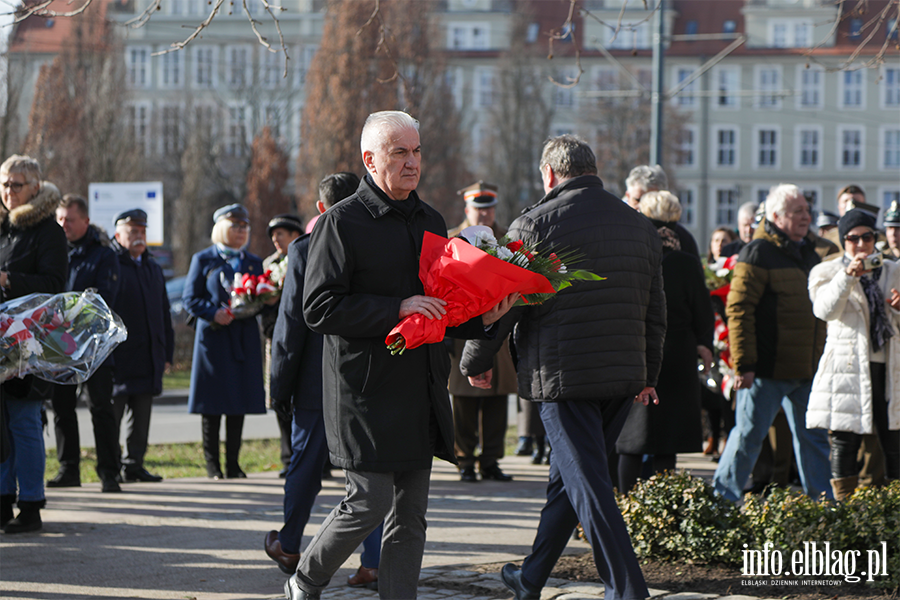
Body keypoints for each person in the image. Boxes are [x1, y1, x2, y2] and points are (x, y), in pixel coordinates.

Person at [285, 111, 515, 600]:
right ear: (370, 160)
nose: (413, 163)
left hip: (420, 385)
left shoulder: (431, 220)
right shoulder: (340, 223)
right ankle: (305, 581)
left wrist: (486, 319)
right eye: (399, 152)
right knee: (368, 502)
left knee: (411, 515)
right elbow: (318, 308)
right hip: (364, 391)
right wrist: (397, 307)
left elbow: (442, 307)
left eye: (416, 151)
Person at [461, 135, 665, 600]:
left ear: (550, 174)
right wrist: (648, 374)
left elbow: (505, 301)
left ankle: (628, 589)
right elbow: (656, 310)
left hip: (563, 377)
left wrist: (476, 359)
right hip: (622, 376)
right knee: (568, 481)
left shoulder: (534, 223)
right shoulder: (639, 226)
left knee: (589, 486)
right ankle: (531, 577)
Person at [266, 171, 383, 590]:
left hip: (317, 383)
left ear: (320, 208)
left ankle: (292, 543)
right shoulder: (379, 241)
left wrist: (279, 385)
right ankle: (372, 562)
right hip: (368, 378)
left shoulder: (304, 249)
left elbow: (291, 325)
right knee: (365, 474)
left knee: (305, 464)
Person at [713, 184, 836, 502]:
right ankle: (720, 507)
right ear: (776, 216)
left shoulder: (809, 251)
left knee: (814, 441)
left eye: (807, 211)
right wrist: (744, 365)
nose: (806, 217)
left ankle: (823, 511)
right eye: (798, 212)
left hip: (806, 369)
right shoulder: (757, 252)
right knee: (747, 439)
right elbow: (738, 311)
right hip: (765, 371)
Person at [616, 191, 714, 493]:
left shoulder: (631, 254)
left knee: (631, 439)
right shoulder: (684, 260)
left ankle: (625, 507)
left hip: (636, 348)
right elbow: (702, 307)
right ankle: (660, 511)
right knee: (666, 441)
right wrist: (704, 343)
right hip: (677, 353)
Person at [807, 209, 900, 499]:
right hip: (846, 366)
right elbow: (824, 310)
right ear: (843, 240)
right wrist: (847, 277)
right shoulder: (826, 271)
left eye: (867, 237)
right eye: (852, 238)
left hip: (889, 366)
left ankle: (894, 510)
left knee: (895, 439)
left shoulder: (894, 270)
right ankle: (843, 511)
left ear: (876, 238)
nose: (860, 245)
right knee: (845, 439)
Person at [0, 155, 67, 533]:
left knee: (24, 422)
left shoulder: (47, 230)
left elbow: (56, 286)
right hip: (0, 340)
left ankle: (31, 505)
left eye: (17, 184)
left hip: (29, 343)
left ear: (36, 188)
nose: (10, 191)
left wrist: (8, 280)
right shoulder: (2, 227)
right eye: (5, 184)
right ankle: (2, 500)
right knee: (0, 425)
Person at [183, 203, 268, 480]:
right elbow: (189, 299)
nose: (242, 231)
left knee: (237, 401)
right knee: (212, 404)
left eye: (245, 227)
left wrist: (263, 301)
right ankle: (212, 465)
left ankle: (233, 464)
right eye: (236, 226)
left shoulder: (254, 262)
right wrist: (213, 313)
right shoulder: (203, 259)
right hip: (214, 339)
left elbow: (262, 296)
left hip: (242, 339)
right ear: (221, 228)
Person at [48, 194, 122, 493]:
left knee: (101, 407)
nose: (64, 224)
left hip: (93, 345)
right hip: (58, 344)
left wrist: (68, 314)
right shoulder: (54, 250)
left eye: (70, 219)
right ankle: (69, 469)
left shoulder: (103, 253)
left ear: (86, 221)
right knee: (62, 407)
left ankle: (109, 472)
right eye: (60, 219)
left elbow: (105, 299)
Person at [447, 181, 518, 483]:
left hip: (496, 332)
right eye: (479, 208)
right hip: (461, 330)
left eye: (489, 208)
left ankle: (490, 460)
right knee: (463, 402)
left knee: (495, 400)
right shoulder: (452, 239)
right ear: (467, 209)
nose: (484, 214)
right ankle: (464, 459)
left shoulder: (508, 240)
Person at [110, 209, 174, 483]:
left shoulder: (152, 268)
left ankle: (134, 464)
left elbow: (164, 313)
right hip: (119, 358)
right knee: (112, 416)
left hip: (148, 356)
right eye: (132, 231)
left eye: (142, 232)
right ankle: (111, 465)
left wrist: (167, 352)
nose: (139, 237)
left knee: (142, 417)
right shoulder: (111, 265)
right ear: (118, 235)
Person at [261, 213, 305, 478]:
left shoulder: (308, 257)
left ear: (295, 236)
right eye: (273, 235)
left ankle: (313, 458)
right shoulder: (269, 265)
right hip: (276, 338)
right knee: (280, 394)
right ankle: (288, 458)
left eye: (282, 234)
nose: (276, 239)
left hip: (305, 337)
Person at [623, 164, 700, 259]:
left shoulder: (682, 237)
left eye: (650, 202)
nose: (642, 207)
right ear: (628, 195)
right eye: (637, 200)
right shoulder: (615, 228)